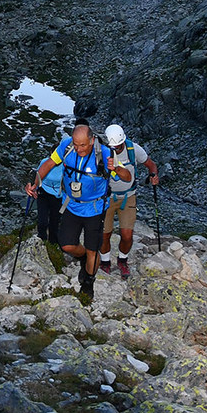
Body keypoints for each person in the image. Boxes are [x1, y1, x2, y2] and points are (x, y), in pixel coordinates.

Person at [26, 119, 130, 297]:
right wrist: (35, 183)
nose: (79, 149)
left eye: (82, 145)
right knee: (66, 245)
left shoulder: (105, 153)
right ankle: (83, 259)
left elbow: (127, 177)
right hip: (72, 205)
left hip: (95, 209)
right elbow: (49, 164)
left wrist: (116, 168)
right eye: (76, 144)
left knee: (92, 249)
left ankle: (88, 282)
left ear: (91, 140)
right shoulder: (66, 147)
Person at [99, 123, 158, 277]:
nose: (115, 150)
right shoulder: (101, 152)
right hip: (106, 198)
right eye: (112, 147)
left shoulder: (133, 149)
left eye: (118, 147)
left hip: (128, 196)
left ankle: (122, 260)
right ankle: (105, 262)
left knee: (127, 235)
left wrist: (153, 175)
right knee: (104, 234)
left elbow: (151, 164)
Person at [31, 156, 65, 246]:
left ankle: (53, 244)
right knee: (42, 221)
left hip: (58, 196)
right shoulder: (45, 162)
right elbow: (38, 175)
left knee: (55, 221)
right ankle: (41, 240)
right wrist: (34, 188)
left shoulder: (66, 165)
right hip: (43, 193)